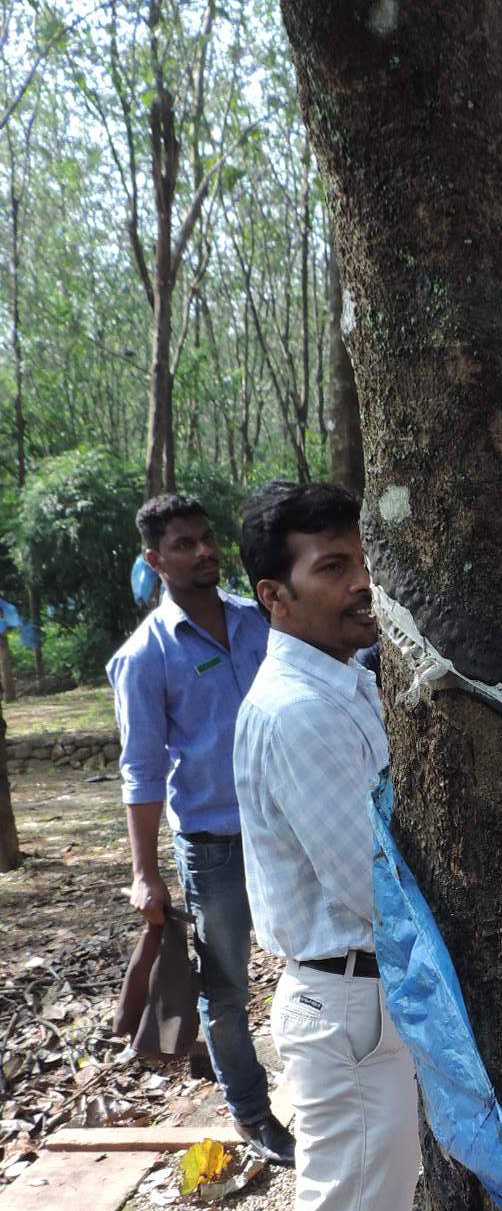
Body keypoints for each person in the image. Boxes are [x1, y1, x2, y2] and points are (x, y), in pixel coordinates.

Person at [233, 481, 429, 1211]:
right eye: (332, 569)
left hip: (374, 998)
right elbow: (365, 885)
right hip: (347, 1006)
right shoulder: (299, 710)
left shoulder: (345, 677)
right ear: (275, 593)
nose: (359, 585)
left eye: (360, 561)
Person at [107, 494, 294, 1165]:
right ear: (155, 560)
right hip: (216, 845)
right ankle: (251, 1113)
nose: (204, 551)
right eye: (184, 544)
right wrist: (144, 872)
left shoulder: (262, 621)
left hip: (291, 826)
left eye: (207, 538)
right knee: (227, 988)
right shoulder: (145, 656)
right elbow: (142, 770)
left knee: (324, 954)